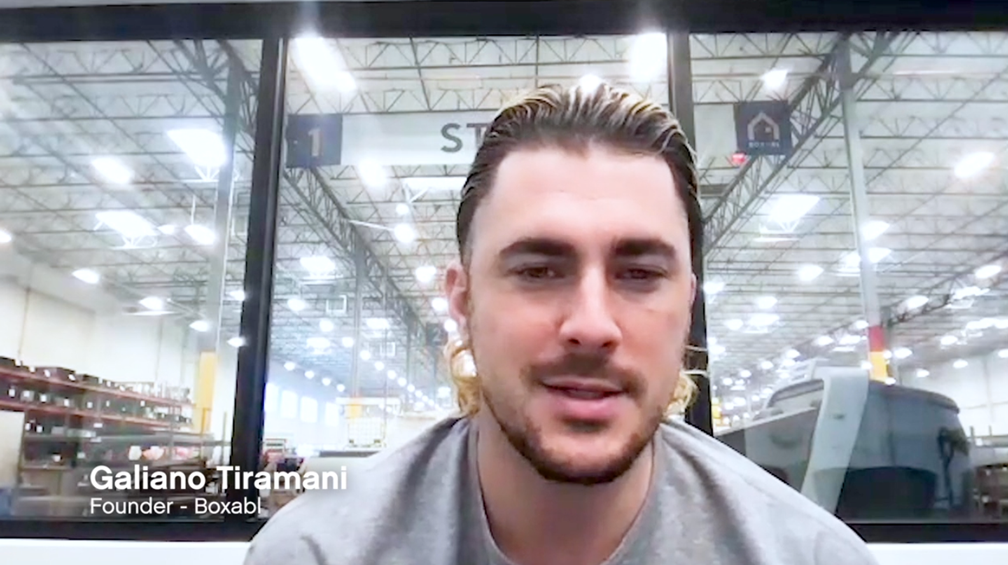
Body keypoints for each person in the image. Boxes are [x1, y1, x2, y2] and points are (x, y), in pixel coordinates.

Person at [243, 82, 879, 565]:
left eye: (639, 274)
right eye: (539, 271)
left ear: (686, 304)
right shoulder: (314, 553)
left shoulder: (809, 554)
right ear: (462, 300)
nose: (592, 326)